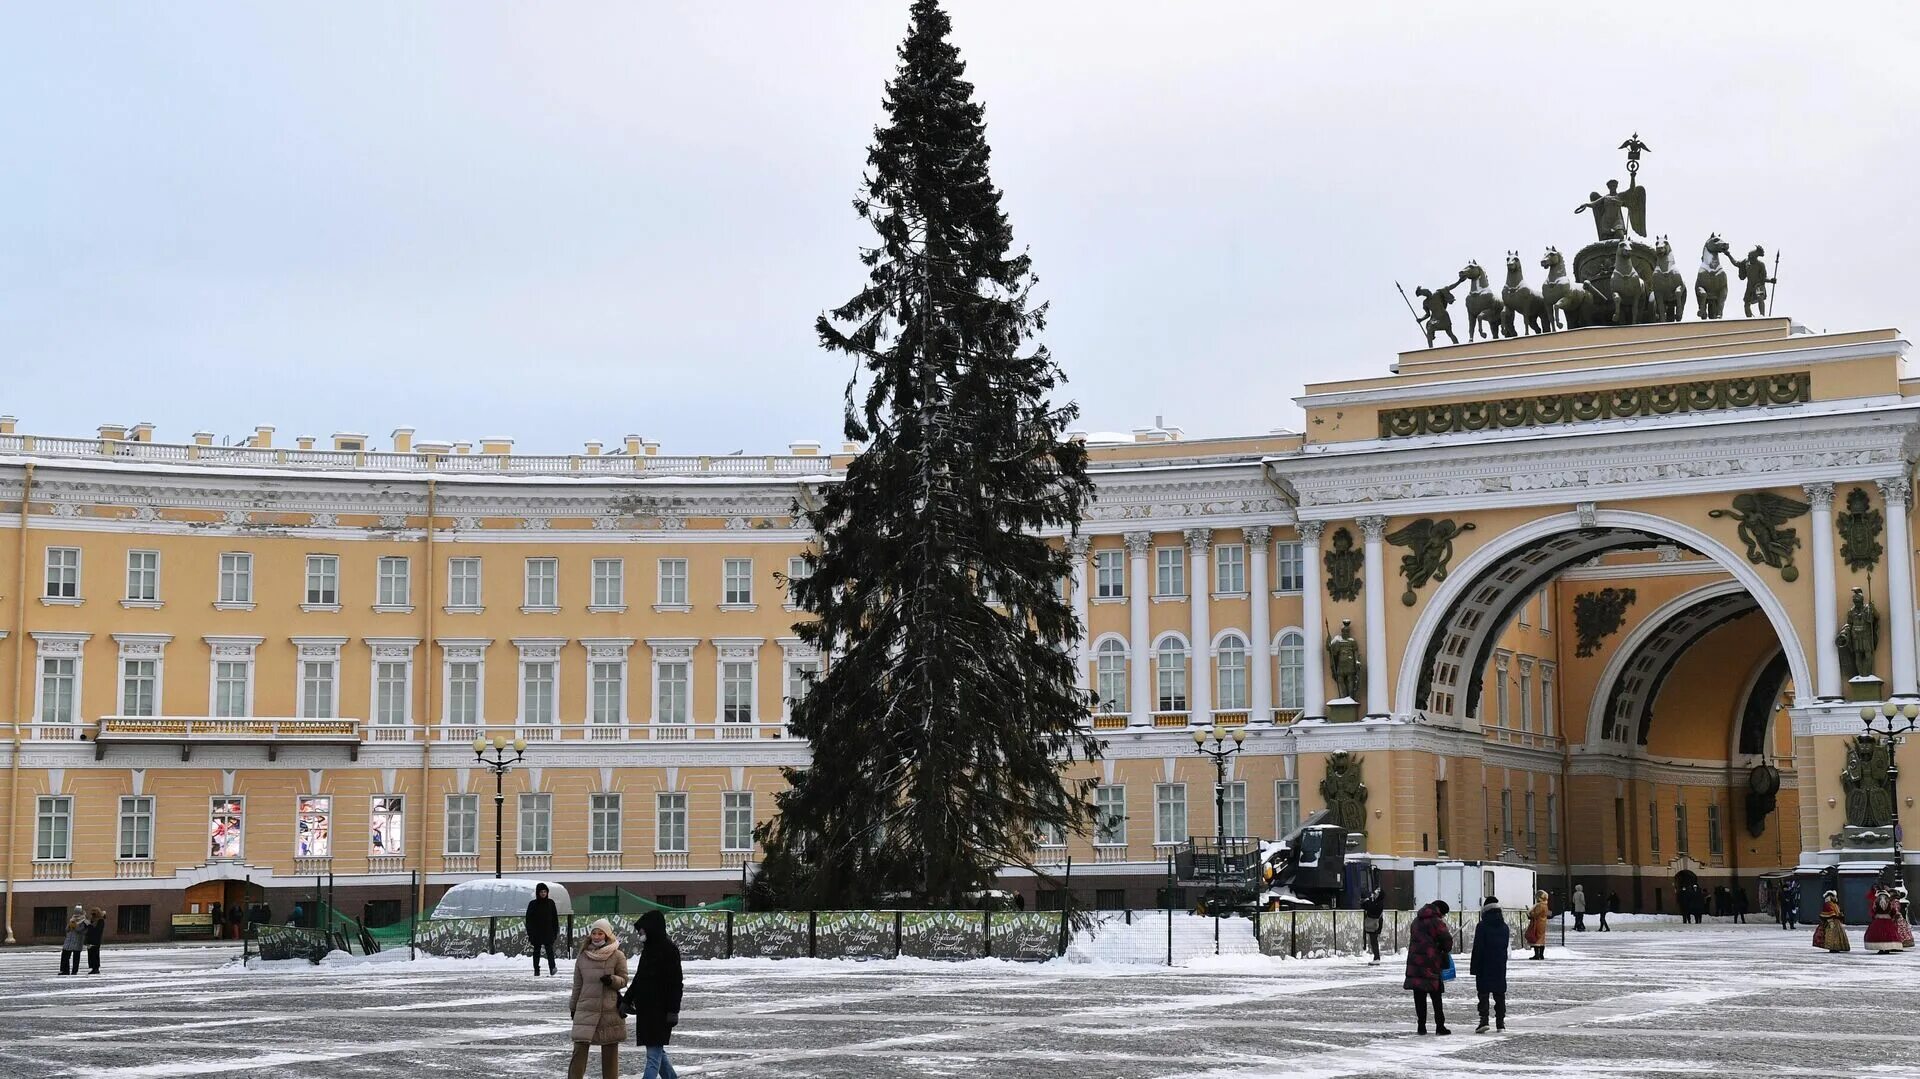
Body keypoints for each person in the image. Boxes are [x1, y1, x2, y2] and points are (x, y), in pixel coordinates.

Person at [624, 910, 685, 1079]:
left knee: (653, 1056)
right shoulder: (648, 949)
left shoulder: (669, 950)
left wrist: (673, 1010)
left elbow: (676, 983)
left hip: (662, 1012)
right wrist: (626, 1000)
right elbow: (639, 978)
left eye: (642, 929)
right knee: (658, 1054)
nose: (640, 933)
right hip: (646, 1011)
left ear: (652, 928)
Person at [568, 918, 629, 1079]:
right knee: (579, 1048)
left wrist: (612, 980)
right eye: (594, 933)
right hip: (586, 1008)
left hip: (608, 1009)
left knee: (610, 1051)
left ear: (607, 935)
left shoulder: (617, 955)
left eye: (600, 933)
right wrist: (573, 1007)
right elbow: (577, 985)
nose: (596, 936)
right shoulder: (583, 956)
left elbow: (624, 980)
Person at [1403, 900, 1453, 1036]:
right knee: (1436, 996)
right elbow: (1447, 942)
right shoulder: (1437, 922)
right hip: (1431, 963)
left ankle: (1421, 1026)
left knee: (1419, 996)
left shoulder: (1416, 921)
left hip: (1416, 963)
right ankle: (1440, 1026)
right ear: (1440, 911)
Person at [1468, 898, 1510, 1034]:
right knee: (1499, 994)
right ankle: (1500, 1023)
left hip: (1484, 964)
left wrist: (1474, 967)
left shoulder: (1482, 926)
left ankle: (1484, 1021)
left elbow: (1478, 947)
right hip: (1499, 965)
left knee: (1483, 994)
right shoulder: (1504, 927)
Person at [526, 882, 560, 977]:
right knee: (536, 951)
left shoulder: (550, 903)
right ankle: (536, 969)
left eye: (545, 891)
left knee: (549, 950)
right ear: (538, 893)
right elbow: (529, 920)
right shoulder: (533, 904)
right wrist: (530, 933)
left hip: (548, 932)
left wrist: (555, 932)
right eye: (541, 892)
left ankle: (552, 968)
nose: (543, 893)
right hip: (536, 933)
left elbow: (554, 919)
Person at [1865, 887, 1904, 953]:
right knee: (1888, 933)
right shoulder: (1889, 903)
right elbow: (1893, 911)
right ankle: (1887, 948)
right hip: (1887, 919)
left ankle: (1880, 948)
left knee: (1878, 933)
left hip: (1878, 919)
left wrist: (1874, 917)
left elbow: (1873, 910)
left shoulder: (1876, 902)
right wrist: (1891, 916)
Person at [1361, 886, 1386, 964]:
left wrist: (1368, 901)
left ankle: (1377, 958)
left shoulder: (1379, 903)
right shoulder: (1376, 901)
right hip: (1375, 924)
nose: (1374, 894)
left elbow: (1372, 910)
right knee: (1373, 941)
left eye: (1376, 893)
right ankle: (1376, 957)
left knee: (1374, 941)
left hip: (1375, 924)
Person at [60, 906, 87, 975]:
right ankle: (65, 970)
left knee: (76, 957)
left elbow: (83, 931)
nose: (76, 914)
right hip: (69, 940)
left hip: (77, 941)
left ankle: (74, 971)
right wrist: (69, 927)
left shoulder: (85, 921)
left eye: (78, 912)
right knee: (65, 955)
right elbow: (66, 929)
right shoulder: (72, 919)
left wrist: (75, 927)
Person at [1525, 890, 1549, 960]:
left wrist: (1529, 912)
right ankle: (1541, 955)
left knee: (1536, 939)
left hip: (1537, 923)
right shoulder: (1545, 905)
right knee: (1541, 939)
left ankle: (1537, 955)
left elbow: (1535, 914)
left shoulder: (1540, 905)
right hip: (1542, 923)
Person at [84, 906, 106, 974]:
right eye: (92, 913)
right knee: (90, 954)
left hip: (96, 940)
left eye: (94, 913)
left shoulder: (100, 921)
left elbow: (97, 930)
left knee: (95, 954)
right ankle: (93, 967)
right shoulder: (92, 920)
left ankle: (96, 968)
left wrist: (89, 925)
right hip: (89, 939)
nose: (93, 915)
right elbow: (88, 929)